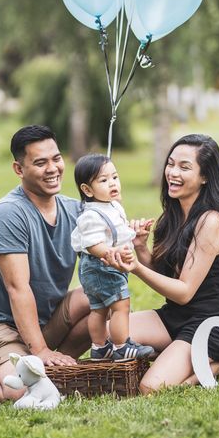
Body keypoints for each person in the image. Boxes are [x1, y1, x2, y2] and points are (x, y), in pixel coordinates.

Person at [107, 134, 219, 394]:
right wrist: (141, 248)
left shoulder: (212, 221)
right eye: (171, 164)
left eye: (184, 167)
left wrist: (136, 268)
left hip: (214, 321)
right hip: (176, 316)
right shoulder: (171, 217)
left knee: (150, 387)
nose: (173, 172)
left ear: (205, 176)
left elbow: (184, 292)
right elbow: (168, 280)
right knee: (111, 332)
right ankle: (176, 353)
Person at [0, 125, 91, 402]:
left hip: (45, 321)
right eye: (40, 163)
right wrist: (40, 350)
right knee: (19, 391)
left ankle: (44, 366)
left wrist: (124, 235)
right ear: (19, 169)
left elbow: (103, 267)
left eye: (56, 158)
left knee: (95, 297)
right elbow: (18, 288)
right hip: (1, 326)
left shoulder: (75, 210)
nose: (52, 168)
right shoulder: (8, 214)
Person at [71, 154, 154, 361]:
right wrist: (110, 253)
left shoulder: (112, 206)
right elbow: (92, 243)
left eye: (115, 177)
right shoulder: (90, 215)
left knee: (98, 308)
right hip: (103, 265)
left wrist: (135, 230)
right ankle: (121, 346)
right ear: (87, 190)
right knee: (120, 306)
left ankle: (100, 348)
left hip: (100, 267)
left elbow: (117, 231)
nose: (113, 183)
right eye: (103, 180)